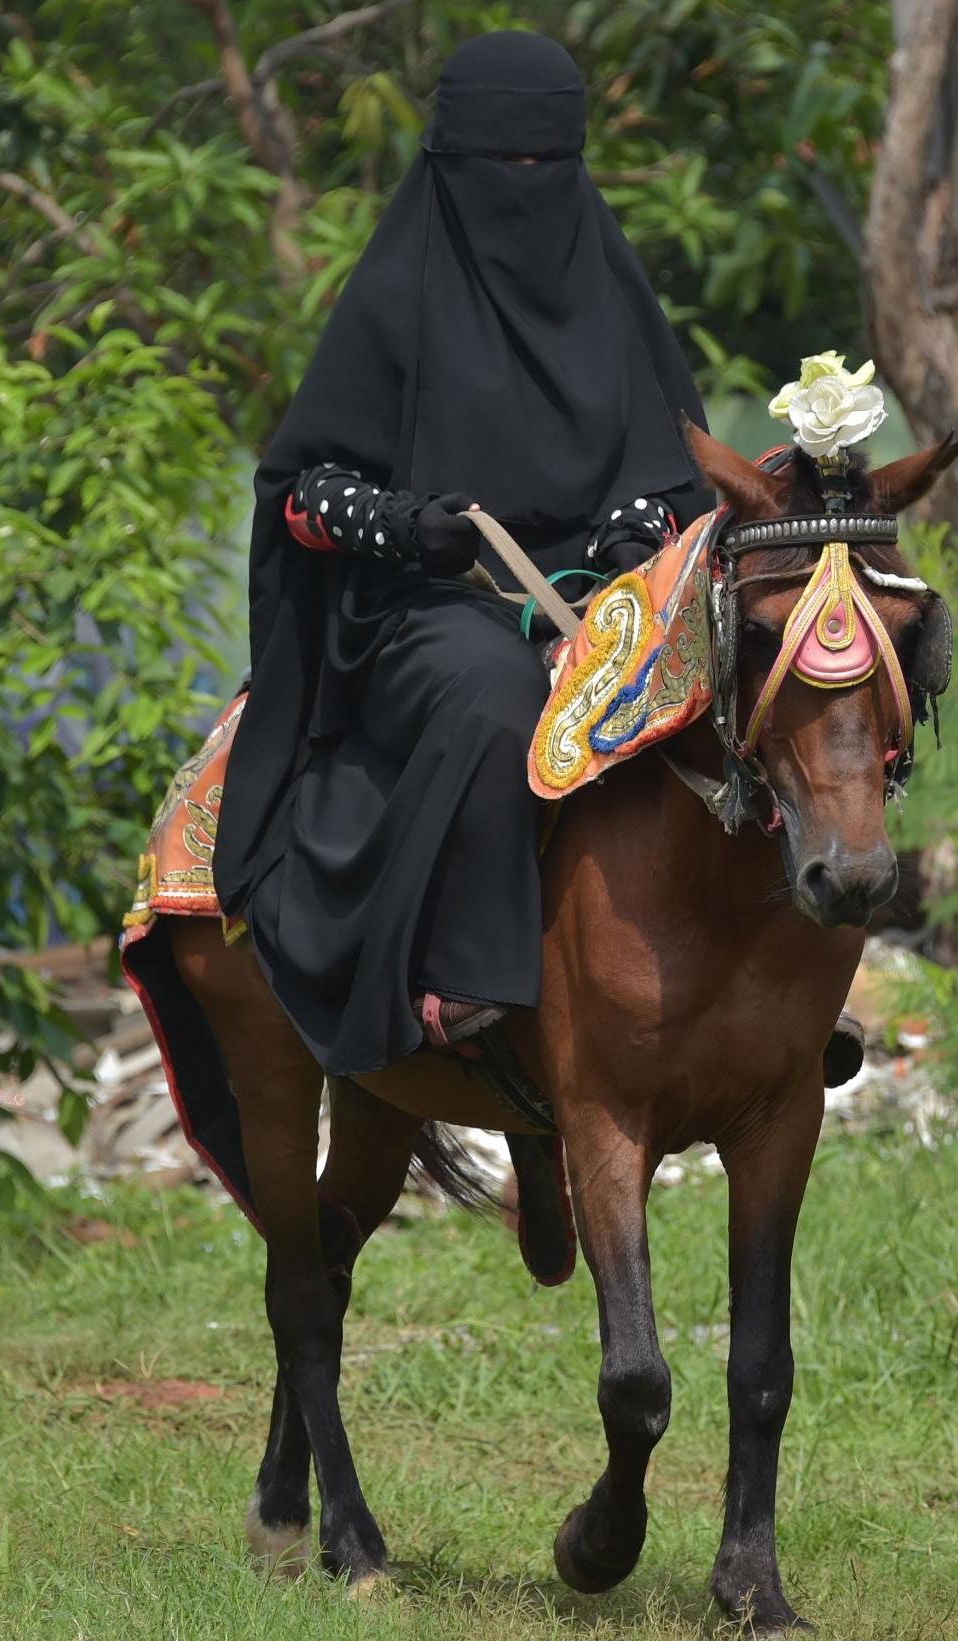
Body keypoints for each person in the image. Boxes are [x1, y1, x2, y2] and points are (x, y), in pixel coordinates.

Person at [211, 30, 714, 1078]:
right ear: (450, 165)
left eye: (545, 167)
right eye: (500, 170)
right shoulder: (398, 294)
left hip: (605, 598)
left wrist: (640, 528)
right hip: (424, 611)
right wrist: (406, 527)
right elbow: (302, 492)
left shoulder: (612, 293)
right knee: (494, 694)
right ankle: (470, 978)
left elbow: (676, 469)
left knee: (735, 681)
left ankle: (768, 996)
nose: (522, 192)